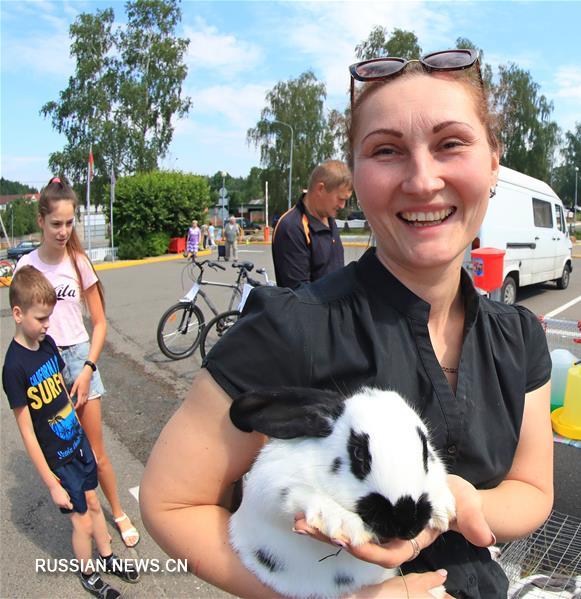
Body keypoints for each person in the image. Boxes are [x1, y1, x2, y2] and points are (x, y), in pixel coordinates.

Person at [141, 48, 553, 599]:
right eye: (386, 150)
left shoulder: (517, 336)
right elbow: (171, 503)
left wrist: (462, 503)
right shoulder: (291, 329)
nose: (423, 179)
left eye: (451, 143)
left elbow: (531, 487)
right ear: (355, 175)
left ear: (494, 159)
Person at [15, 177, 140, 550]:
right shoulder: (27, 264)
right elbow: (23, 326)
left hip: (79, 359)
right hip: (45, 365)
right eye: (56, 224)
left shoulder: (79, 262)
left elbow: (100, 323)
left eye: (70, 223)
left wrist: (87, 368)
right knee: (66, 453)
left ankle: (117, 511)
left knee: (97, 452)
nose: (63, 231)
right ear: (41, 221)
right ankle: (86, 519)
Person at [3, 266, 139, 598]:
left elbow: (63, 393)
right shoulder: (14, 368)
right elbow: (27, 432)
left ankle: (106, 556)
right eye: (40, 319)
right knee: (80, 519)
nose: (47, 325)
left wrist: (80, 433)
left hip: (76, 444)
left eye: (49, 317)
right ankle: (88, 572)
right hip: (58, 461)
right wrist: (51, 483)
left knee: (93, 503)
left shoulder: (47, 345)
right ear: (18, 314)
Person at [271, 160, 352, 288]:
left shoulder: (329, 218)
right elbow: (300, 295)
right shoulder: (291, 227)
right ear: (320, 189)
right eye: (340, 199)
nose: (342, 206)